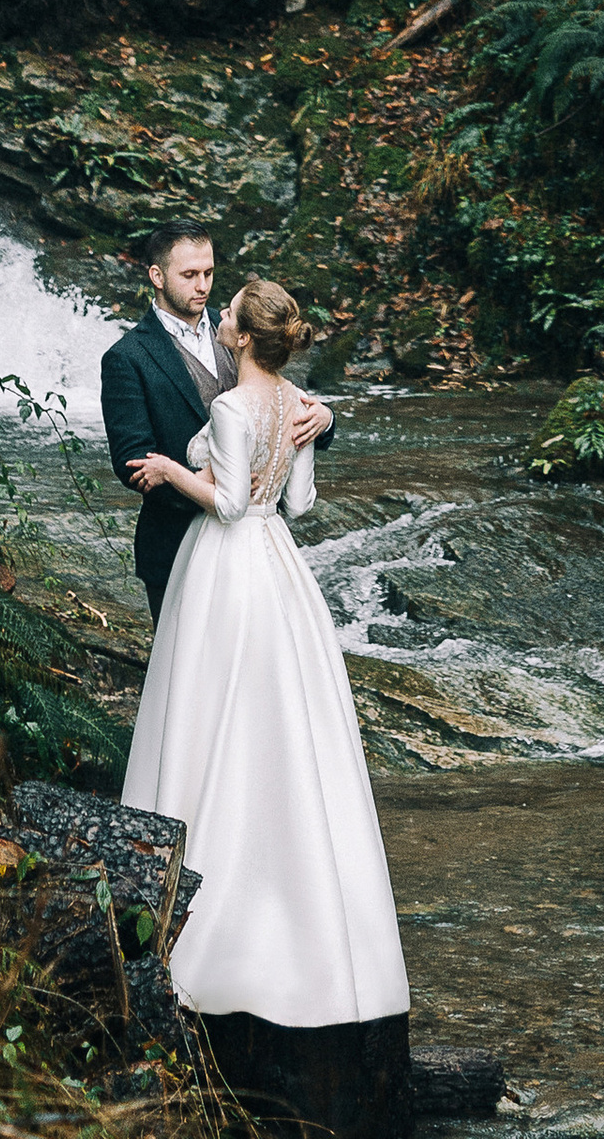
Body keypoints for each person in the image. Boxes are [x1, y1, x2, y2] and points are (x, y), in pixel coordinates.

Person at [120, 273, 410, 1064]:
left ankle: (203, 914)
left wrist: (173, 473)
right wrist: (304, 440)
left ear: (241, 337)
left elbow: (228, 506)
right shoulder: (297, 404)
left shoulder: (229, 405)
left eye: (229, 311)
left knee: (208, 711)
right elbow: (299, 505)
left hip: (225, 567)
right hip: (281, 570)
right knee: (284, 721)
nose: (216, 312)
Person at [99, 219, 334, 623]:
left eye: (208, 272)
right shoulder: (127, 357)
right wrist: (220, 480)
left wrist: (326, 420)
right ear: (157, 276)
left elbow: (284, 407)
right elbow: (133, 463)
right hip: (174, 544)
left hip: (252, 551)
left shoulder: (241, 329)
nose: (203, 285)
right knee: (186, 674)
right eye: (189, 275)